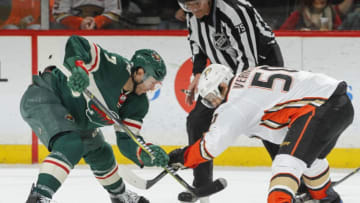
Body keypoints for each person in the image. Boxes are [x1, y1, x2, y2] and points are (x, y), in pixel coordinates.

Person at [169, 64, 354, 203]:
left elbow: (211, 146)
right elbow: (279, 129)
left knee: (286, 163)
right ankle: (328, 198)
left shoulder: (235, 102)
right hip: (340, 104)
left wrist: (181, 157)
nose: (214, 103)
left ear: (222, 86)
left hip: (321, 108)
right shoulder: (249, 77)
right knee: (308, 160)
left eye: (212, 96)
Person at [21, 35, 169, 203]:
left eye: (157, 85)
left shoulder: (138, 104)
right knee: (71, 144)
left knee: (101, 152)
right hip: (45, 96)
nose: (152, 89)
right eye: (152, 82)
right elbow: (77, 42)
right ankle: (39, 197)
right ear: (140, 73)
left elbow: (127, 141)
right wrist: (79, 69)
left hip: (77, 118)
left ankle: (119, 195)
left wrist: (146, 154)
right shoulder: (113, 65)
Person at [177, 0, 284, 202]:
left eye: (197, 3)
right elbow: (196, 43)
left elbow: (249, 60)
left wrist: (234, 97)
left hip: (262, 68)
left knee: (267, 126)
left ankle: (296, 181)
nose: (193, 9)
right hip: (224, 71)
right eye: (188, 5)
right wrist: (198, 73)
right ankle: (202, 184)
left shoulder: (234, 12)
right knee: (197, 120)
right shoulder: (193, 12)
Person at [279, 0, 348, 31]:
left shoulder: (332, 12)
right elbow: (283, 31)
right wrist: (300, 32)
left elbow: (341, 30)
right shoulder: (299, 13)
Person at [52, 0, 122, 30]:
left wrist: (96, 22)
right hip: (73, 29)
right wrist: (79, 23)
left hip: (102, 28)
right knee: (54, 26)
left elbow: (114, 12)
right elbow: (59, 13)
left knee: (115, 26)